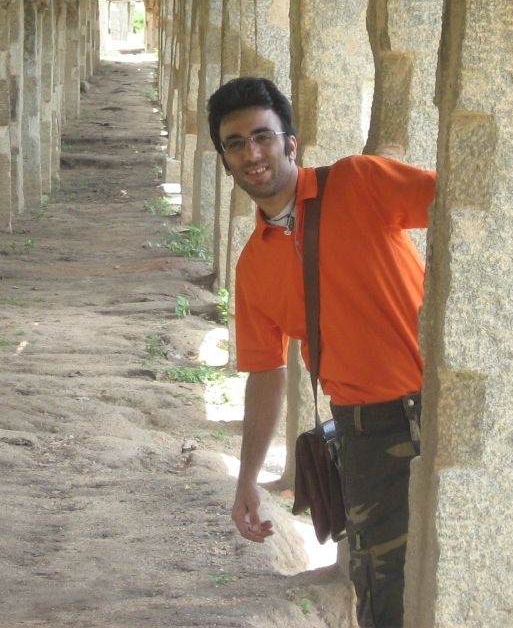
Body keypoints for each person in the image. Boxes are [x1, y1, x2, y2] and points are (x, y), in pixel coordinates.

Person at [206, 77, 435, 628]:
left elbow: (469, 213)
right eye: (235, 144)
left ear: (291, 143)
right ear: (225, 161)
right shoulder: (252, 266)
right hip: (367, 433)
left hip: (442, 405)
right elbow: (266, 374)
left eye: (262, 137)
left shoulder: (359, 181)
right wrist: (247, 484)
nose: (251, 154)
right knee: (384, 591)